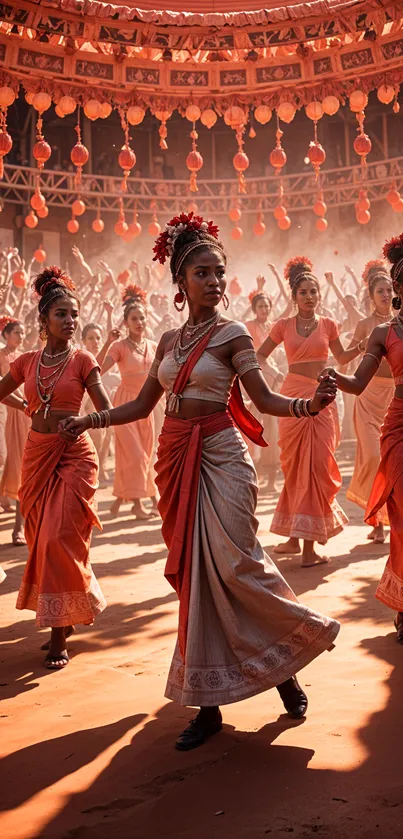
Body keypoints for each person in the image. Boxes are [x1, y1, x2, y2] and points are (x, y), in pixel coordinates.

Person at [60, 213, 340, 751]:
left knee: (238, 565)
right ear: (181, 283)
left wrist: (310, 404)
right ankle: (207, 705)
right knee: (196, 580)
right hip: (175, 455)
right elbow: (143, 404)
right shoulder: (167, 339)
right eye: (203, 273)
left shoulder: (234, 333)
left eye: (220, 272)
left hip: (222, 456)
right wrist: (89, 420)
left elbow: (264, 401)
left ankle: (286, 665)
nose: (215, 281)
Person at [0, 267, 110, 669]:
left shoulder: (84, 359)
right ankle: (73, 604)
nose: (70, 321)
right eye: (61, 314)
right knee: (41, 539)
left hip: (75, 457)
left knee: (57, 538)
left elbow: (106, 411)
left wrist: (85, 422)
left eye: (74, 314)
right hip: (36, 454)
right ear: (43, 321)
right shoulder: (26, 362)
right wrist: (27, 409)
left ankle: (58, 633)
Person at [320, 233, 403, 644]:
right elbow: (354, 380)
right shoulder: (382, 333)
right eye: (389, 287)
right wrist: (332, 377)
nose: (389, 294)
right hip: (396, 423)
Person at [257, 258, 363, 567]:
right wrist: (273, 381)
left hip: (322, 397)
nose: (309, 296)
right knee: (295, 466)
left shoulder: (329, 324)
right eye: (303, 292)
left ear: (319, 295)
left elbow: (341, 357)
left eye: (313, 291)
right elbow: (260, 356)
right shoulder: (282, 326)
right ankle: (300, 544)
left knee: (316, 466)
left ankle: (302, 543)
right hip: (291, 399)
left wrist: (360, 347)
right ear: (294, 296)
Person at [342, 261, 394, 543]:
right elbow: (343, 359)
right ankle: (376, 520)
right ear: (371, 296)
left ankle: (385, 522)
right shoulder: (364, 325)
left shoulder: (399, 321)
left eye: (388, 290)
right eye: (380, 291)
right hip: (368, 397)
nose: (385, 295)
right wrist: (363, 346)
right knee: (373, 456)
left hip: (394, 397)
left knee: (392, 460)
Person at [97, 286, 157, 519]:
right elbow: (99, 370)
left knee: (144, 453)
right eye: (134, 319)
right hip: (124, 405)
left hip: (147, 406)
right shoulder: (119, 346)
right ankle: (140, 504)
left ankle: (120, 501)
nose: (139, 322)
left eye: (142, 317)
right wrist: (109, 340)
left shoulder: (152, 346)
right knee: (135, 455)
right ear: (126, 322)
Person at [244, 290, 283, 491]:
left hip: (274, 379)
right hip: (255, 378)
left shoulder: (273, 326)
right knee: (254, 424)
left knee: (273, 428)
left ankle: (271, 479)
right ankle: (252, 476)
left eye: (267, 306)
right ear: (254, 309)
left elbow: (290, 310)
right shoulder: (248, 327)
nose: (264, 310)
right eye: (260, 306)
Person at [0, 316, 30, 545]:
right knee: (10, 466)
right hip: (8, 415)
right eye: (16, 333)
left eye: (23, 333)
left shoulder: (25, 357)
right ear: (5, 335)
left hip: (26, 416)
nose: (21, 336)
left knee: (24, 469)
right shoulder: (0, 356)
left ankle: (20, 528)